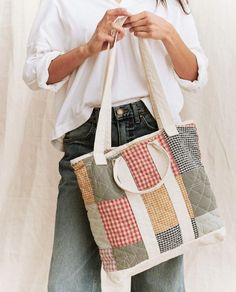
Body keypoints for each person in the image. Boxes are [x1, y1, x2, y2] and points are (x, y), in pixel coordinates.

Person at [22, 0, 208, 291]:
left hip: (152, 138)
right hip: (86, 141)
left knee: (160, 282)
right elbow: (37, 73)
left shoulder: (168, 3)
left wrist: (169, 33)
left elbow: (194, 75)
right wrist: (88, 48)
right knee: (67, 282)